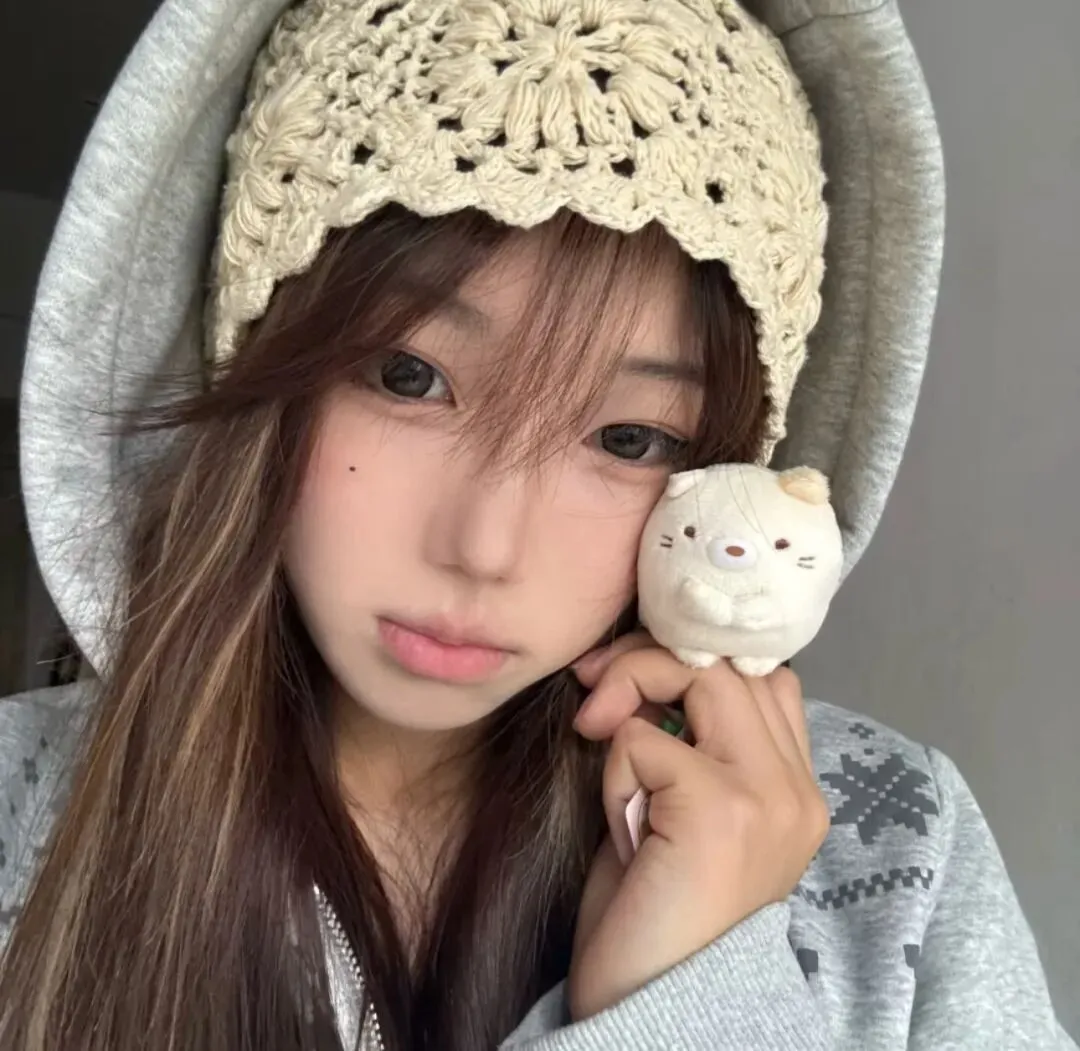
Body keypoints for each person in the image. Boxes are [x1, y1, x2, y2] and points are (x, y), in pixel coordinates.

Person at [0, 0, 1072, 1048]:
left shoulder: (896, 854)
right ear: (264, 354)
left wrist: (693, 996)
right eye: (409, 375)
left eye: (630, 438)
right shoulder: (17, 812)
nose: (486, 548)